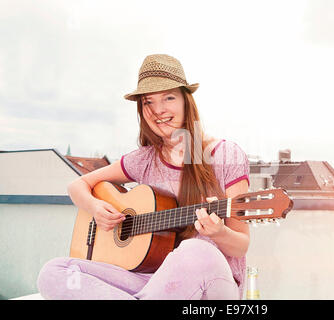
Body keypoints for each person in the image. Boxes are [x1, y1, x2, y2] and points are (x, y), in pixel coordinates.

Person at [37, 54, 251, 300]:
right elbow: (78, 185)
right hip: (150, 280)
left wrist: (219, 233)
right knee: (55, 271)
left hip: (210, 282)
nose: (158, 110)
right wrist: (95, 207)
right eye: (148, 102)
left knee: (197, 250)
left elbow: (241, 245)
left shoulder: (225, 155)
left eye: (168, 97)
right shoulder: (144, 159)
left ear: (185, 100)